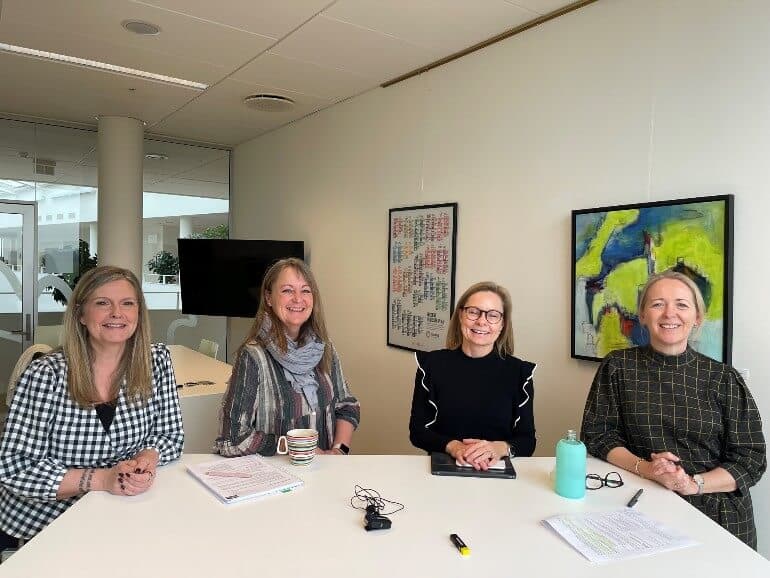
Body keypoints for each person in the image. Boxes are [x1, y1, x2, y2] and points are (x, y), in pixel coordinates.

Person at [0, 266, 184, 550]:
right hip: (46, 524)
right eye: (102, 303)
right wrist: (102, 479)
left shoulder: (156, 361)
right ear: (81, 315)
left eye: (127, 303)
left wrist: (147, 457)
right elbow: (15, 467)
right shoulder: (46, 374)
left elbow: (170, 435)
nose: (117, 313)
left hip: (121, 513)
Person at [581, 270, 766, 548]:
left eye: (681, 304)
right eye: (658, 304)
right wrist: (648, 468)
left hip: (718, 514)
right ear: (643, 315)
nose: (670, 313)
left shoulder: (724, 378)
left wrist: (691, 484)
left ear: (697, 317)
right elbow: (598, 435)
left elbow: (751, 459)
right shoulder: (618, 367)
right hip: (641, 506)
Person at [215, 258, 360, 457]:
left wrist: (339, 451)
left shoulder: (325, 348)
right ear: (268, 298)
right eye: (287, 290)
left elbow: (347, 406)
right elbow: (233, 438)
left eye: (305, 290)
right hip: (279, 472)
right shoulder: (253, 356)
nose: (298, 299)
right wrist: (298, 447)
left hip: (325, 470)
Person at [409, 281, 536, 470]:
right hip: (443, 472)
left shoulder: (520, 373)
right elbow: (417, 432)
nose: (481, 321)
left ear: (502, 324)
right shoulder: (431, 365)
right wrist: (454, 446)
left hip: (497, 474)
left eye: (493, 315)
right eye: (473, 312)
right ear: (461, 315)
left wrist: (498, 448)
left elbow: (528, 441)